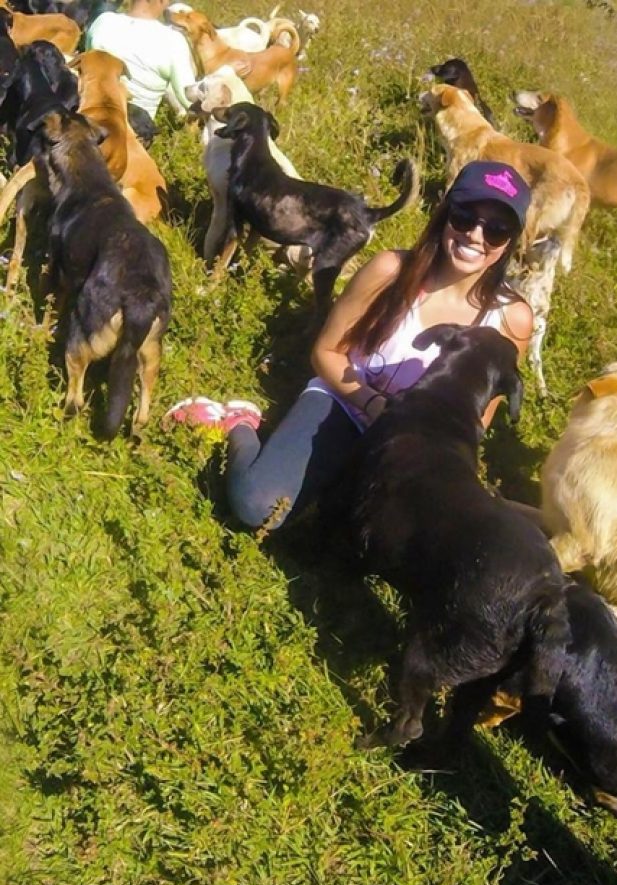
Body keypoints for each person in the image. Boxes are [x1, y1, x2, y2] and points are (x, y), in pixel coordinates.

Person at [167, 160, 535, 531]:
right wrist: (374, 406)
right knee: (257, 505)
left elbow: (475, 421)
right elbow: (325, 353)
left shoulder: (512, 320)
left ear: (509, 243)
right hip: (346, 404)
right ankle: (239, 422)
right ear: (445, 214)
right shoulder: (391, 271)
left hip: (414, 444)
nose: (475, 235)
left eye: (497, 229)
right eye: (465, 216)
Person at [86, 0, 197, 121]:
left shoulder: (103, 21)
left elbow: (87, 66)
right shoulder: (173, 41)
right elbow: (188, 99)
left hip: (89, 119)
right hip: (135, 126)